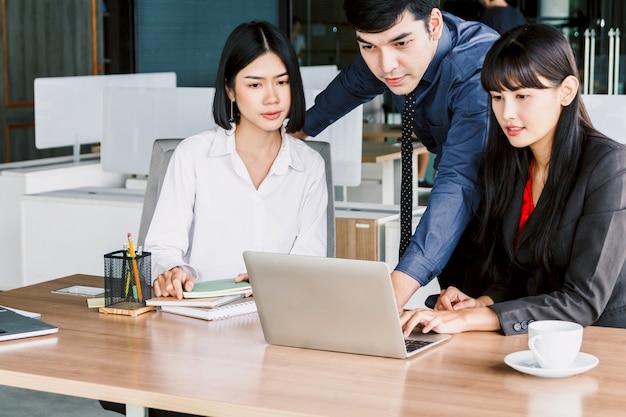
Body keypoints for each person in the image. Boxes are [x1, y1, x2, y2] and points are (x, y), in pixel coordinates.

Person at [400, 24, 626, 336]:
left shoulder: (609, 167)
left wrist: (473, 320)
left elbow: (583, 301)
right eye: (497, 96)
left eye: (522, 96)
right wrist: (481, 303)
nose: (507, 113)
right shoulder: (510, 161)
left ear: (567, 90)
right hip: (533, 340)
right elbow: (519, 275)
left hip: (604, 339)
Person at [296, 0, 499, 310]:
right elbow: (352, 85)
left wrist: (391, 293)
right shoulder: (389, 49)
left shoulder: (477, 71)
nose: (386, 65)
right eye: (368, 46)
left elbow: (460, 180)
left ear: (434, 24)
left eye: (400, 43)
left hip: (506, 223)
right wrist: (293, 136)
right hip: (452, 224)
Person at [144, 21, 328, 301]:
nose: (272, 98)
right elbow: (162, 245)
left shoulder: (309, 166)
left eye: (282, 82)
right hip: (198, 319)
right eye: (255, 84)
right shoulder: (192, 155)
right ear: (230, 90)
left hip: (276, 318)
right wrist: (171, 270)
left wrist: (274, 279)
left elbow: (310, 260)